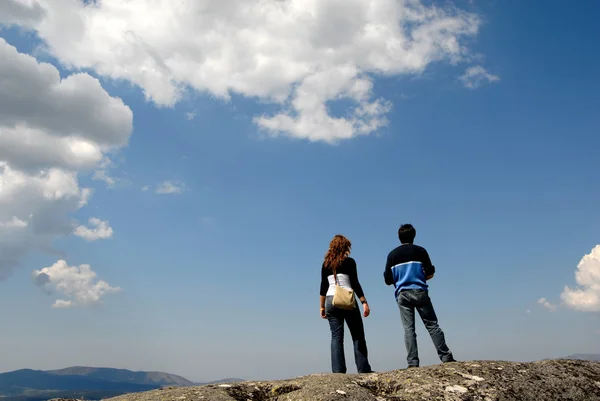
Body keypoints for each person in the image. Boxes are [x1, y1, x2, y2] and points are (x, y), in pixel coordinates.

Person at [383, 224, 455, 368]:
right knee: (432, 325)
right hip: (419, 291)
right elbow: (430, 272)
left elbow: (387, 279)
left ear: (399, 237)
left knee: (409, 329)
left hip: (402, 294)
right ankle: (446, 357)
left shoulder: (392, 255)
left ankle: (413, 362)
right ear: (413, 236)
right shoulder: (421, 251)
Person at [319, 234, 373, 374]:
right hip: (347, 300)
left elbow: (323, 287)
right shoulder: (350, 262)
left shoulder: (326, 264)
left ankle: (338, 372)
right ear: (345, 247)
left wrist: (322, 307)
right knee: (357, 335)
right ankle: (363, 369)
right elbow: (355, 283)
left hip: (331, 300)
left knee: (336, 338)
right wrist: (364, 302)